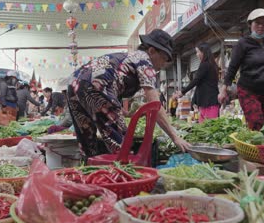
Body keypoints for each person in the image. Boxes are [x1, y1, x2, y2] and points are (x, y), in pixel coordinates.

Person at [67, 29, 190, 158]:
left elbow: (113, 86)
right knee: (120, 146)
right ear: (152, 51)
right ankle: (121, 174)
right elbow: (155, 105)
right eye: (163, 58)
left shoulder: (129, 58)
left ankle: (88, 172)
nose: (163, 64)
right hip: (96, 85)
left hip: (73, 83)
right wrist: (175, 137)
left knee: (87, 141)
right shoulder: (144, 60)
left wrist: (123, 112)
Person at [218, 8, 264, 130]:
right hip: (249, 91)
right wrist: (223, 89)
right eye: (257, 23)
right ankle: (257, 149)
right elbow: (233, 67)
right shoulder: (243, 43)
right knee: (257, 123)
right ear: (250, 25)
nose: (261, 26)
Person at [177, 43, 219, 123]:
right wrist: (194, 100)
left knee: (208, 126)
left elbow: (196, 80)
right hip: (209, 101)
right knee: (208, 126)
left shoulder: (205, 65)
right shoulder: (212, 65)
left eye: (197, 52)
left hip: (209, 101)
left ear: (203, 52)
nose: (197, 54)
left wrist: (183, 91)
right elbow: (200, 82)